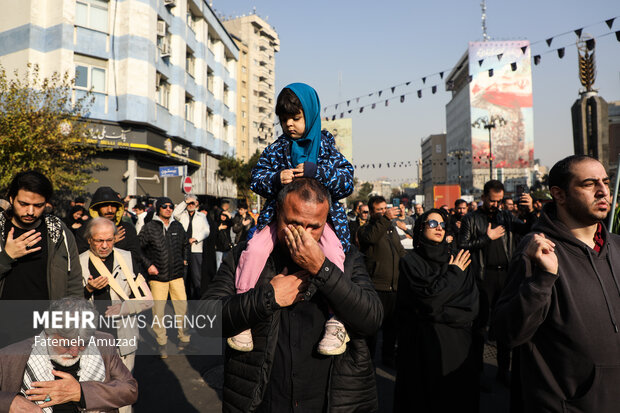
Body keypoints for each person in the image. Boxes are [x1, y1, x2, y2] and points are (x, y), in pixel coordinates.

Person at [200, 178, 382, 412]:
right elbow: (205, 320)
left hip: (330, 401)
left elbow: (372, 318)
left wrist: (322, 268)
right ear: (278, 212)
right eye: (294, 223)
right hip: (263, 401)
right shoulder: (248, 256)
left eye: (314, 227)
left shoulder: (345, 258)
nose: (303, 235)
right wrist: (268, 297)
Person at [228, 83, 354, 356]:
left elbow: (346, 182)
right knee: (255, 249)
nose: (289, 125)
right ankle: (243, 313)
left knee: (334, 251)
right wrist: (276, 178)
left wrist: (316, 171)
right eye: (284, 119)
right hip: (279, 217)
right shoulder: (277, 148)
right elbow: (256, 178)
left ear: (311, 114)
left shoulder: (328, 147)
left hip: (325, 221)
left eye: (296, 117)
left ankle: (336, 319)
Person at [492, 155, 620, 412]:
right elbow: (507, 333)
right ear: (559, 195)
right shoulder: (536, 250)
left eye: (606, 182)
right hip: (567, 404)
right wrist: (542, 280)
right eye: (589, 184)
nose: (603, 191)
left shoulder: (617, 246)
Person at [395, 209, 479, 413]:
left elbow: (471, 304)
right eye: (432, 224)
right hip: (422, 346)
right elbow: (427, 300)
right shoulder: (411, 262)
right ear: (421, 227)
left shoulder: (458, 259)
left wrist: (436, 311)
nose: (439, 228)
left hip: (457, 343)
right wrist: (453, 275)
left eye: (442, 224)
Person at [458, 179, 537, 384]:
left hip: (506, 277)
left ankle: (504, 371)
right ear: (483, 197)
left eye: (500, 201)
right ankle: (478, 372)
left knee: (504, 325)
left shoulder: (506, 216)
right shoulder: (471, 219)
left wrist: (529, 211)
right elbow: (463, 245)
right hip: (483, 278)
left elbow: (530, 230)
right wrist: (487, 237)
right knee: (480, 327)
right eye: (493, 201)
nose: (496, 205)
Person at [0, 297, 138, 413]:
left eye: (83, 343)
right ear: (48, 333)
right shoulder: (12, 355)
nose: (75, 352)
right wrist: (11, 402)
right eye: (66, 345)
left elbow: (129, 389)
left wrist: (81, 392)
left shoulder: (103, 343)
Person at [79, 218, 153, 378]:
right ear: (89, 239)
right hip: (92, 342)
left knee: (123, 392)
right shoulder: (79, 263)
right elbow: (68, 305)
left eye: (109, 240)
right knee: (97, 393)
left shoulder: (127, 259)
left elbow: (148, 300)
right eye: (99, 241)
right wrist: (88, 290)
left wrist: (124, 309)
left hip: (124, 340)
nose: (105, 246)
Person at [0, 171, 82, 300]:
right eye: (24, 204)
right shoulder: (1, 227)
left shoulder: (58, 231)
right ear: (11, 199)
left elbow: (74, 281)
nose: (30, 212)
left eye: (38, 205)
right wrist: (6, 257)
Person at [138, 197, 190, 358]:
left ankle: (184, 339)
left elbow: (185, 244)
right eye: (164, 206)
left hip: (176, 275)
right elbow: (138, 249)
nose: (168, 209)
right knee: (158, 313)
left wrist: (185, 259)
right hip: (158, 277)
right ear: (158, 209)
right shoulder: (150, 227)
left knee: (182, 309)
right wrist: (149, 265)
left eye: (171, 206)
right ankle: (162, 343)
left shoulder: (177, 226)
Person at [358, 195, 406, 366]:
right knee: (372, 329)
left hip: (394, 288)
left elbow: (400, 251)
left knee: (391, 329)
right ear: (371, 212)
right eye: (379, 210)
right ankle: (367, 361)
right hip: (376, 287)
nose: (384, 212)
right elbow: (370, 238)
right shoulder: (366, 229)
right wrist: (385, 219)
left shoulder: (390, 229)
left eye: (385, 209)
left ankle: (388, 358)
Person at [75, 187, 146, 276]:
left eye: (113, 206)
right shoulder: (85, 230)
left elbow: (135, 257)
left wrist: (112, 245)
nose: (110, 210)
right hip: (94, 279)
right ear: (96, 208)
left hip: (122, 281)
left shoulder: (127, 229)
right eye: (105, 206)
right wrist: (111, 241)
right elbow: (80, 256)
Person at [173, 194, 210, 300]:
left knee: (196, 276)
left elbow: (206, 231)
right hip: (182, 249)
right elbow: (175, 213)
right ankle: (182, 297)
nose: (190, 205)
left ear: (196, 204)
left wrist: (196, 238)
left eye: (192, 203)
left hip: (196, 249)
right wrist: (185, 202)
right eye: (189, 203)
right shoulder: (182, 215)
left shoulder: (201, 216)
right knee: (182, 275)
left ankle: (196, 297)